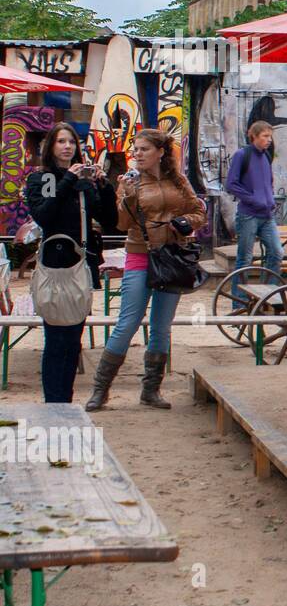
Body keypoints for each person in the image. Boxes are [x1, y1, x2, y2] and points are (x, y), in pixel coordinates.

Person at [88, 128, 207, 411]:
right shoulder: (131, 182)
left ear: (160, 152)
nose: (137, 154)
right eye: (135, 149)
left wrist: (187, 222)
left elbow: (199, 213)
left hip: (172, 257)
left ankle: (151, 390)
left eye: (144, 149)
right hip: (140, 255)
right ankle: (100, 390)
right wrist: (127, 197)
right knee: (127, 322)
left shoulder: (179, 181)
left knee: (161, 327)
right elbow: (120, 224)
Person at [22, 124, 119, 404]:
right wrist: (68, 181)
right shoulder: (42, 178)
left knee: (73, 340)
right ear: (50, 146)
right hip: (55, 266)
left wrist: (104, 186)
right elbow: (45, 216)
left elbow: (108, 220)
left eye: (71, 142)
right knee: (55, 339)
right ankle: (54, 402)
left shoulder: (82, 180)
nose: (67, 147)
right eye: (61, 142)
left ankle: (65, 399)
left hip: (81, 265)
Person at [225, 120, 282, 303]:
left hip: (267, 215)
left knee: (276, 253)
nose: (269, 140)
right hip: (248, 215)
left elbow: (268, 182)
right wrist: (253, 199)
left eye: (270, 136)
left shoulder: (265, 157)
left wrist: (269, 199)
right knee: (245, 259)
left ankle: (267, 294)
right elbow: (231, 184)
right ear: (254, 136)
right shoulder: (242, 155)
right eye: (265, 136)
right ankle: (239, 301)